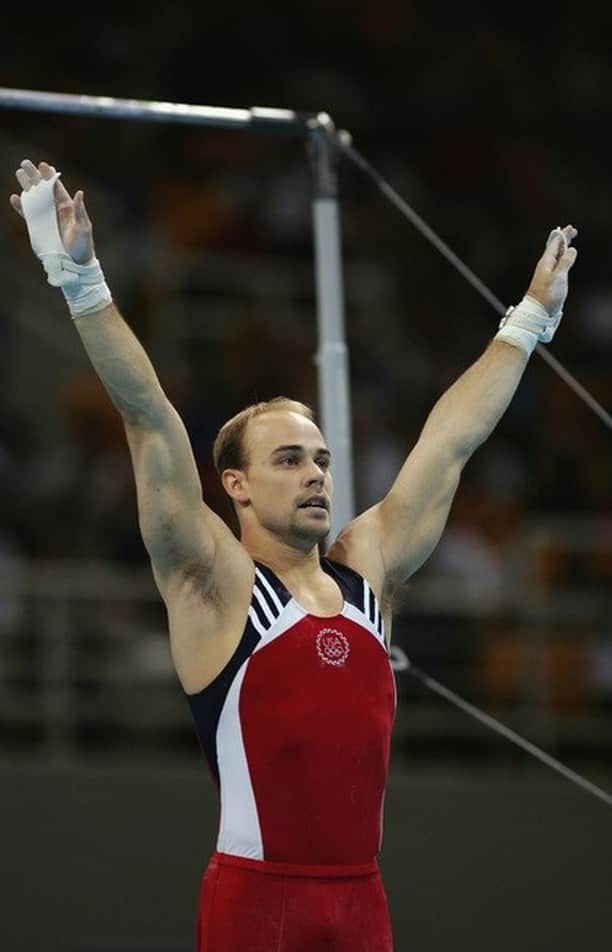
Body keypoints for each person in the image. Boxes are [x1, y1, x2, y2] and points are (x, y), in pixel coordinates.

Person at [11, 158, 577, 951]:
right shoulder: (213, 585)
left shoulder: (366, 570)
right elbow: (147, 417)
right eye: (288, 460)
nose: (315, 474)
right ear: (234, 484)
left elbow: (450, 444)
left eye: (320, 459)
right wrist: (81, 282)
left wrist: (528, 322)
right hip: (257, 906)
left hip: (364, 904)